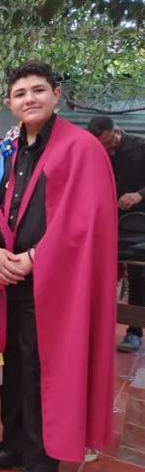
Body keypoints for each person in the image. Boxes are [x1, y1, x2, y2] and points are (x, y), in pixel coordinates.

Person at [0, 61, 117, 472]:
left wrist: (31, 258)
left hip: (53, 283)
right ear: (9, 103)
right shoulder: (2, 150)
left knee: (41, 369)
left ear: (56, 95)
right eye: (21, 92)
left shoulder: (80, 148)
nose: (29, 98)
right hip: (4, 276)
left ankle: (42, 465)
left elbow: (83, 221)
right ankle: (13, 445)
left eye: (38, 90)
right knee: (12, 365)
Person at [87, 115, 145, 354]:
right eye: (102, 146)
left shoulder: (140, 148)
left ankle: (134, 332)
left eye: (110, 144)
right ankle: (95, 328)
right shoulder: (93, 153)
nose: (108, 150)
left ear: (117, 132)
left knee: (138, 275)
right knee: (96, 272)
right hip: (108, 221)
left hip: (138, 224)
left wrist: (139, 195)